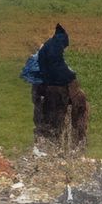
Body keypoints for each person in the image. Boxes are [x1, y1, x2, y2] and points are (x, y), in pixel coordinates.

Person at [30, 22, 89, 150]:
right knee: (54, 122)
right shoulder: (53, 51)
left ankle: (52, 146)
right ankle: (70, 146)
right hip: (55, 92)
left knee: (48, 123)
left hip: (47, 90)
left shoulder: (45, 52)